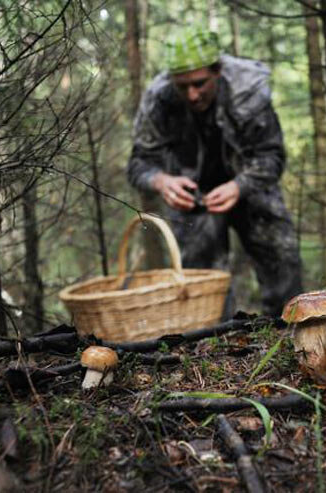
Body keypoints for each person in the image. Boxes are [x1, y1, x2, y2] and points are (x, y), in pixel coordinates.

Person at [127, 28, 303, 317]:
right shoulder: (158, 100)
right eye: (182, 87)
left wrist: (239, 186)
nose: (192, 95)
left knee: (281, 260)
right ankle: (215, 350)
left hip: (252, 187)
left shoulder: (247, 88)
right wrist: (161, 181)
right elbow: (138, 165)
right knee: (202, 287)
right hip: (194, 199)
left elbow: (272, 156)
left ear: (217, 71)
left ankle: (292, 335)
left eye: (199, 83)